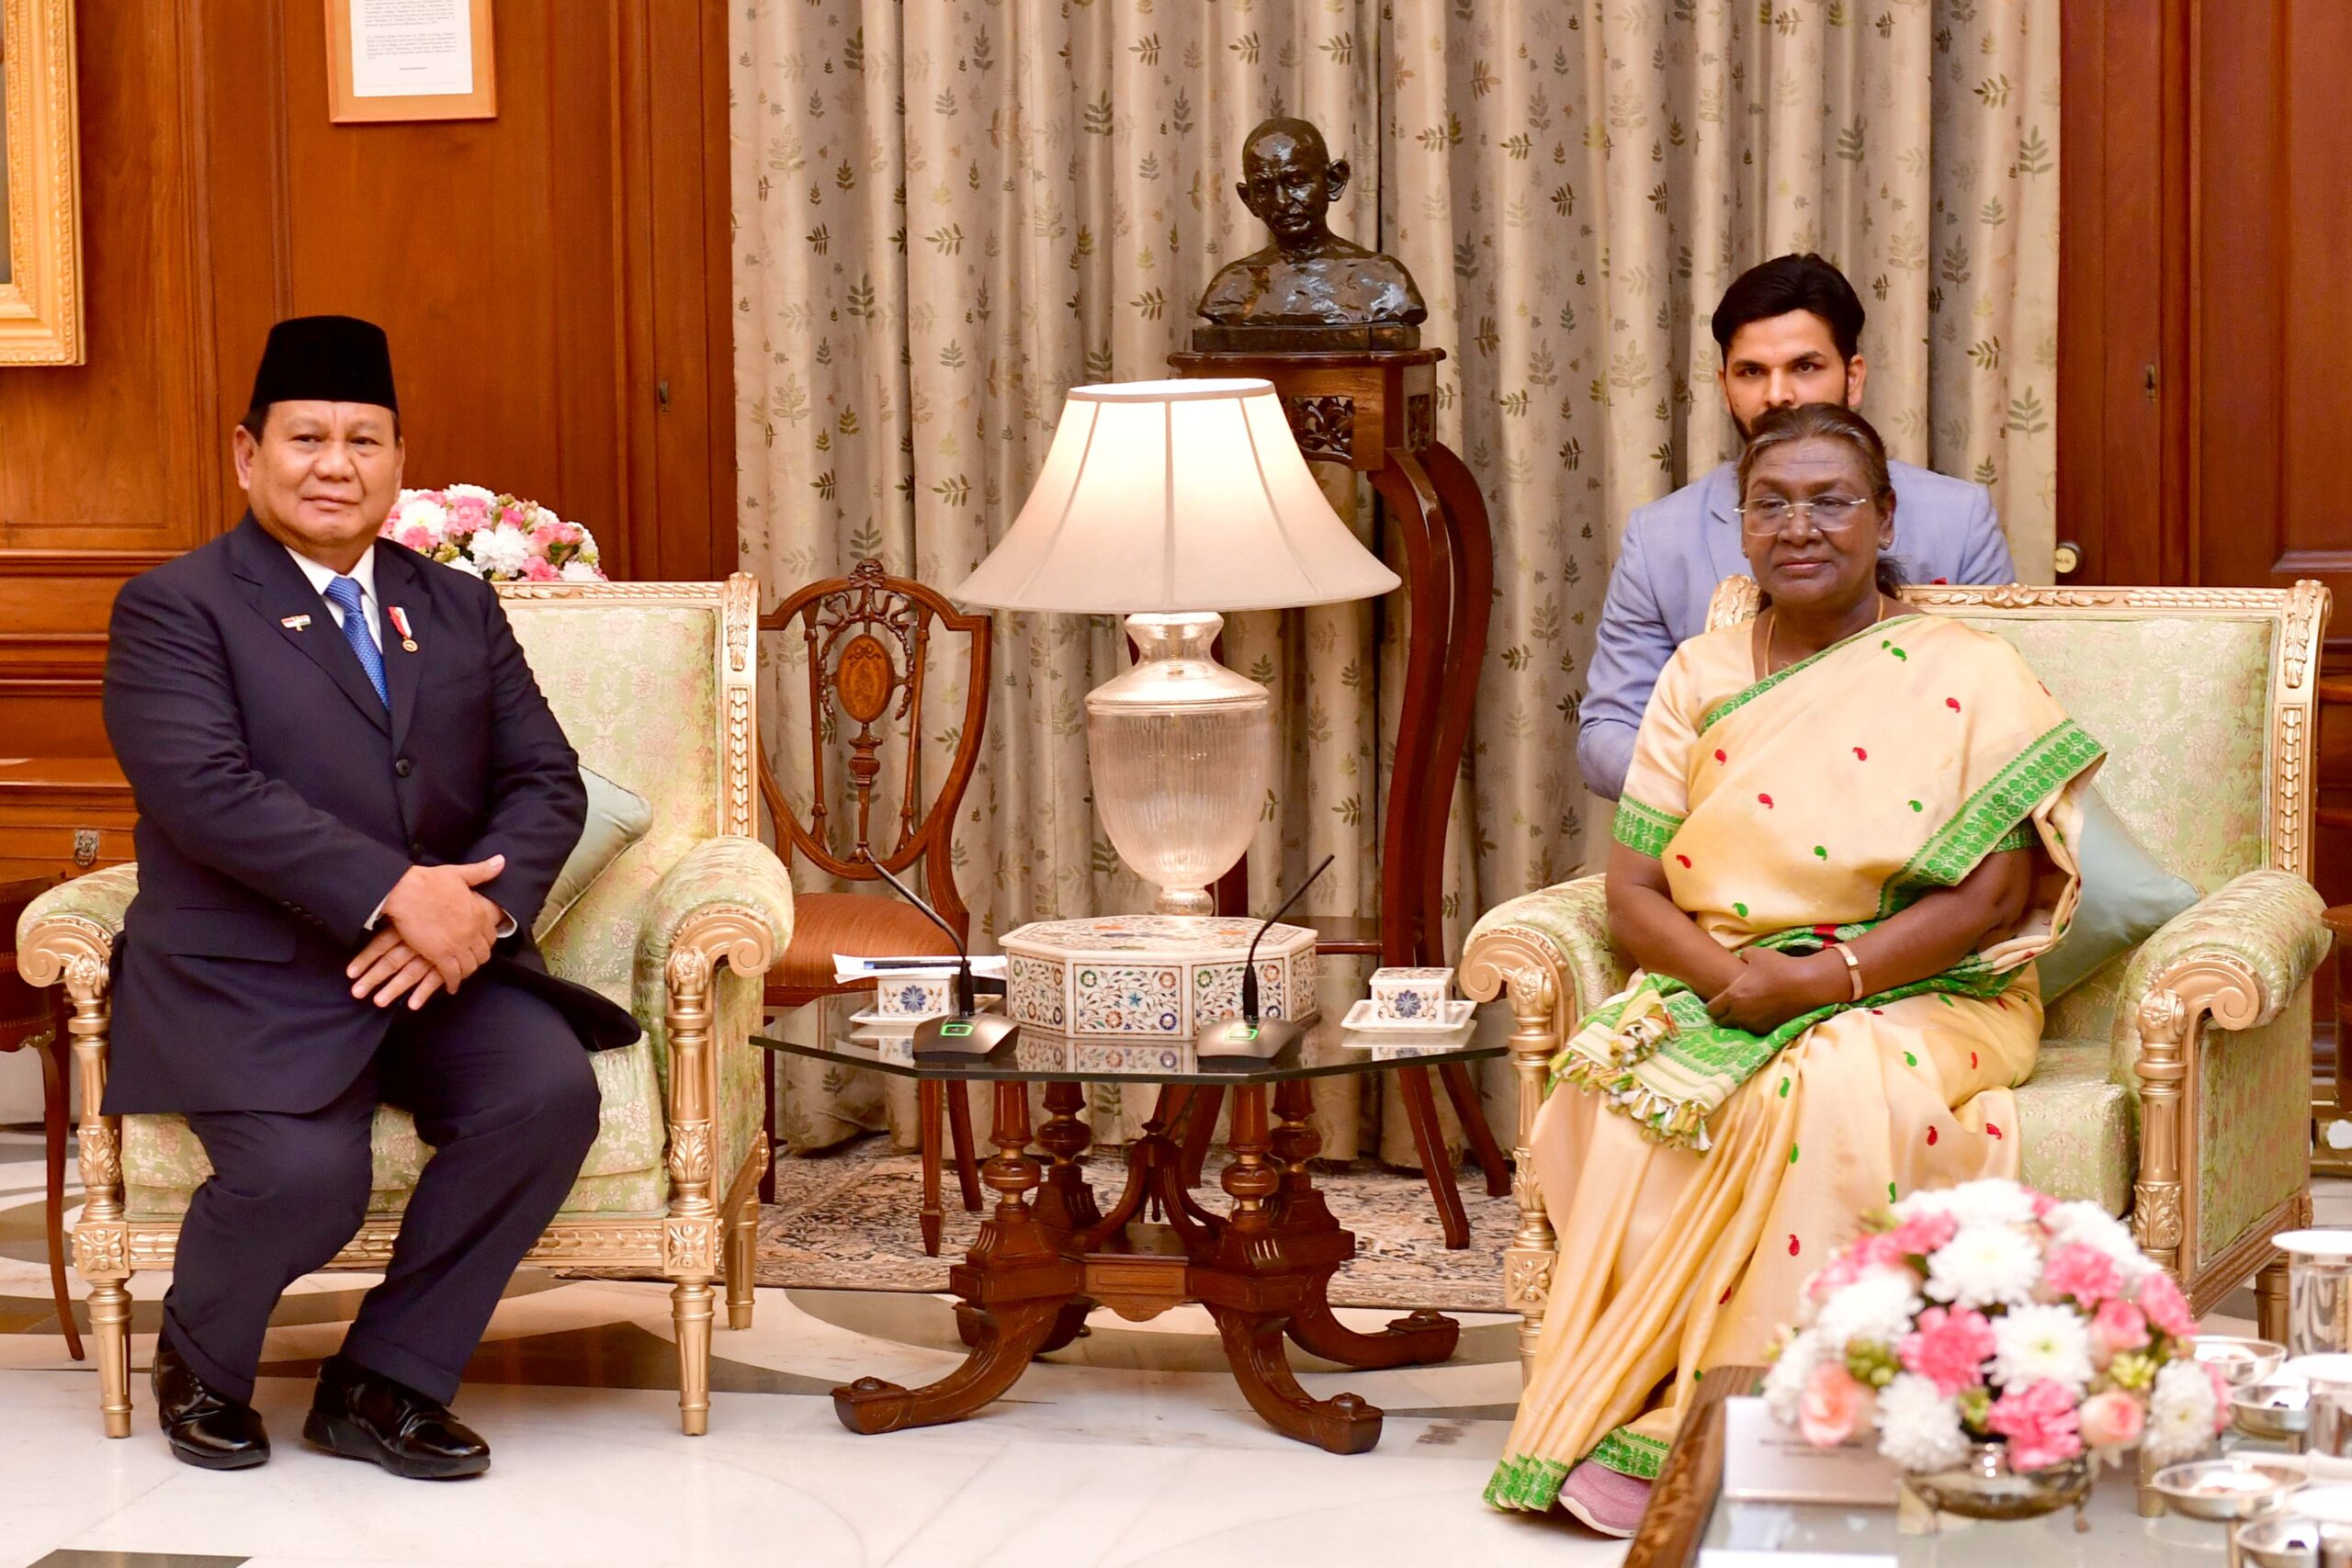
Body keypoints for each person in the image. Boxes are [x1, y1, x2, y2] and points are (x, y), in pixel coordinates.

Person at [1487, 403, 2102, 1536]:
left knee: (1814, 1087)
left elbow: (1992, 898)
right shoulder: (1701, 673)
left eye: (1830, 500)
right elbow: (1632, 892)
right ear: (1740, 527)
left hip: (1929, 989)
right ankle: (1647, 1400)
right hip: (1727, 972)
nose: (1799, 526)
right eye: (1770, 504)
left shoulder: (1968, 668)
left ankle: (1775, 1426)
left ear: (1883, 518)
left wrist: (1821, 988)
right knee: (1610, 1098)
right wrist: (1732, 984)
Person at [101, 315, 639, 1478]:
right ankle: (200, 1358)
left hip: (433, 971)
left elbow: (542, 779)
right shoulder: (175, 607)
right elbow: (206, 791)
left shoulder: (453, 608)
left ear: (399, 459)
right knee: (307, 1181)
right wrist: (402, 893)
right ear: (246, 453)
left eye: (363, 439)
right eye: (306, 438)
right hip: (250, 975)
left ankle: (383, 1380)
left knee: (543, 1094)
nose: (334, 465)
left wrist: (478, 918)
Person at [1578, 254, 2017, 801]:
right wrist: (1734, 789)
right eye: (1752, 371)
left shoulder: (1958, 519)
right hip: (1718, 837)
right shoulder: (1660, 537)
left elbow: (2001, 723)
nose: (1778, 394)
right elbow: (1606, 736)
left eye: (1805, 367)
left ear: (1852, 377)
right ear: (1724, 384)